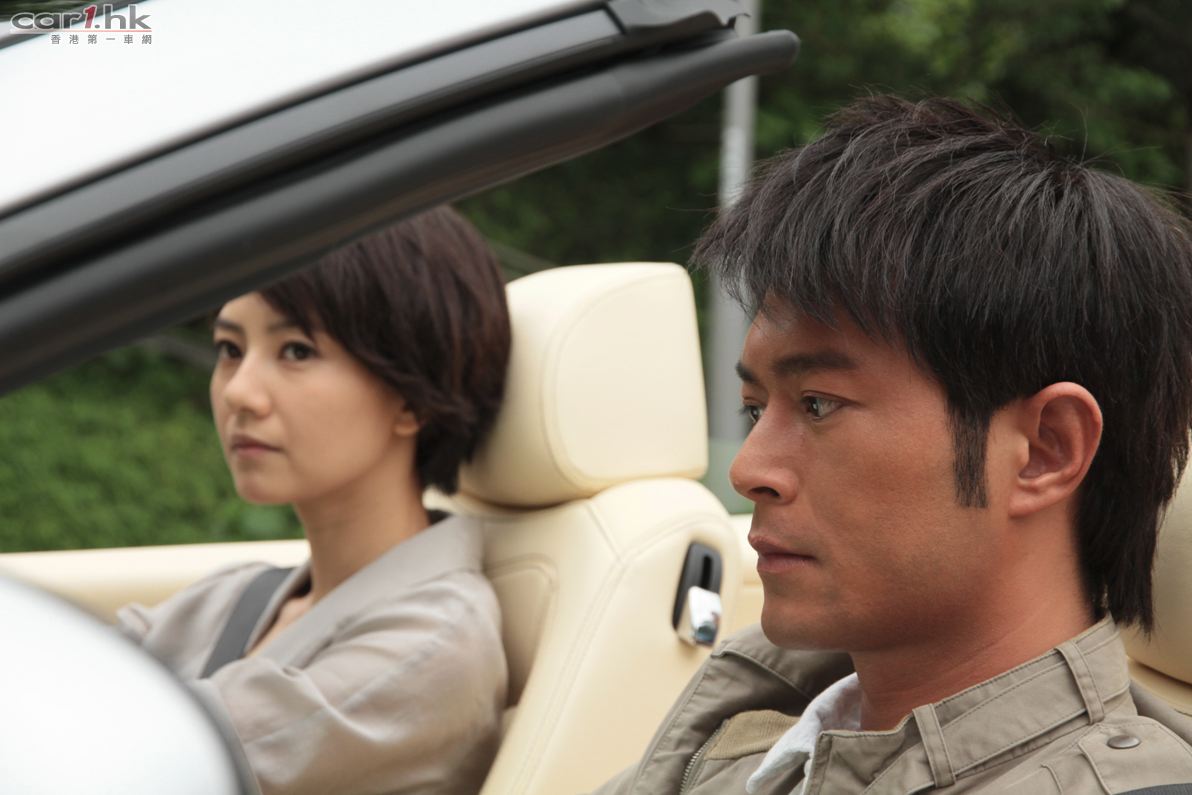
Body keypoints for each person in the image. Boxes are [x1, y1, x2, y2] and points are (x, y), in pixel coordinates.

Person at [594, 97, 1192, 793]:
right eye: (754, 409)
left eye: (818, 404)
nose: (749, 468)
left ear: (1044, 450)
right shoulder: (746, 738)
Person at [117, 206, 511, 795]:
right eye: (229, 348)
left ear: (413, 399)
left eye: (296, 351)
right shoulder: (235, 595)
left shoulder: (429, 649)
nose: (240, 392)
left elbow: (127, 762)